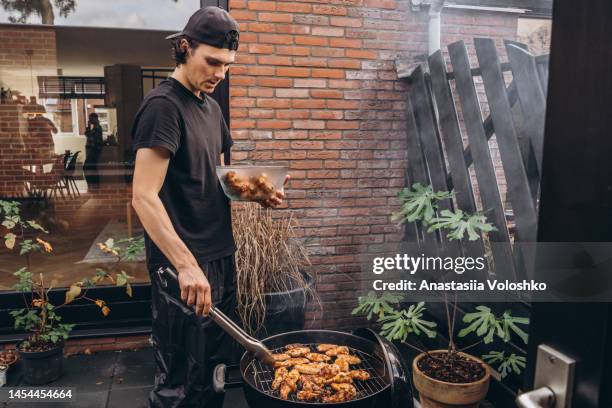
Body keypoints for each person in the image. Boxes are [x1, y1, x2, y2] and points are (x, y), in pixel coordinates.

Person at [131, 7, 287, 408]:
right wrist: (185, 265)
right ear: (184, 48)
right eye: (212, 61)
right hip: (183, 266)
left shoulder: (211, 108)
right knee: (181, 380)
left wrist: (255, 193)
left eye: (227, 65)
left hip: (219, 254)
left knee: (214, 370)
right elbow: (143, 196)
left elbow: (213, 176)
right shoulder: (163, 107)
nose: (220, 73)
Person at [84, 112, 103, 186]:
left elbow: (88, 134)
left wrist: (88, 126)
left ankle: (93, 184)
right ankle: (94, 184)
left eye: (91, 119)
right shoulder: (96, 127)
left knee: (87, 167)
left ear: (95, 118)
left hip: (94, 150)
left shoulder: (97, 127)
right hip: (93, 150)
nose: (90, 120)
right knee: (92, 167)